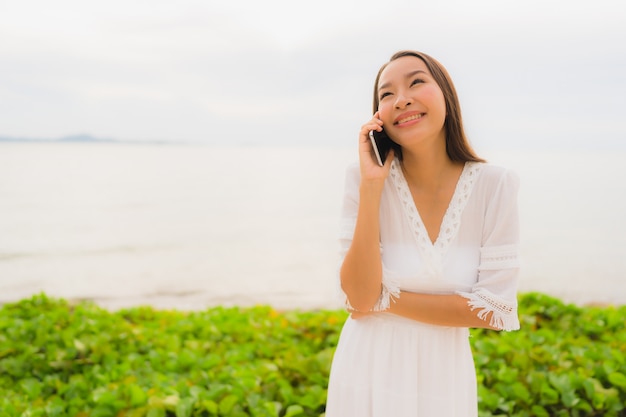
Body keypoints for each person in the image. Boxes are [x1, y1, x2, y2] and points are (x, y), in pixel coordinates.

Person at [324, 50, 521, 416]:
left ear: (446, 94)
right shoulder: (361, 177)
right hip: (365, 371)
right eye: (386, 94)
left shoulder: (495, 185)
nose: (401, 99)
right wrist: (372, 186)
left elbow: (495, 310)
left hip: (443, 382)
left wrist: (384, 300)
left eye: (416, 82)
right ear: (378, 116)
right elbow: (355, 295)